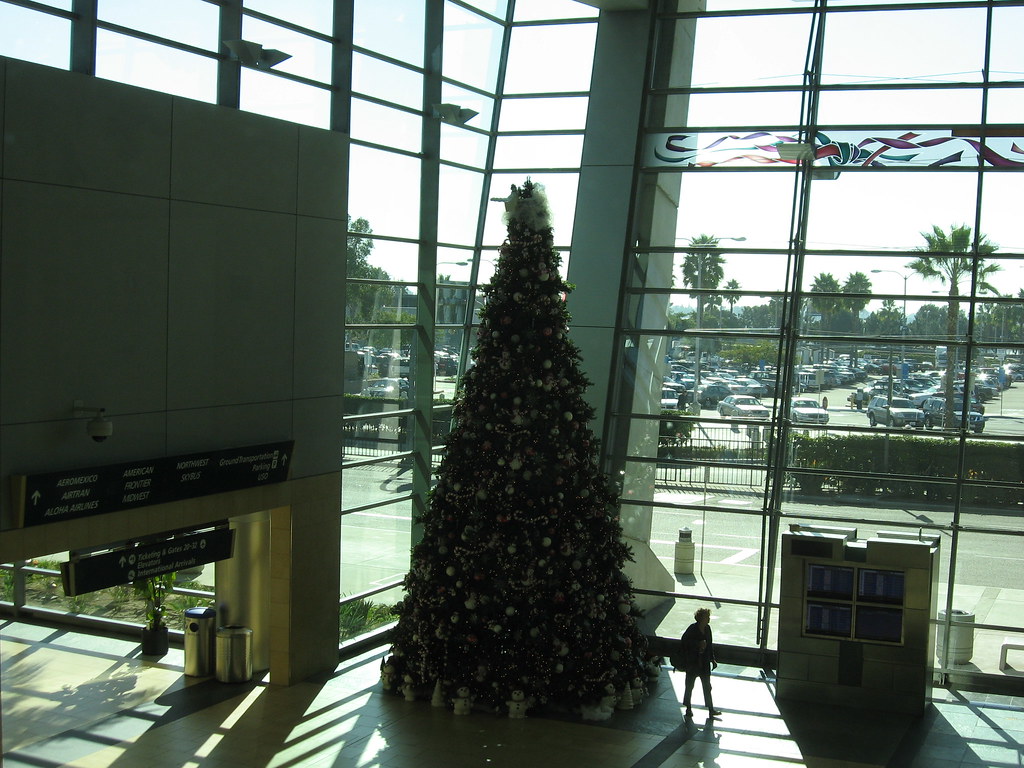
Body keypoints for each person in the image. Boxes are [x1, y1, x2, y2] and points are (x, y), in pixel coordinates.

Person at [677, 607, 721, 720]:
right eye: (707, 617)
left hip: (704, 663)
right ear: (701, 618)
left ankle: (711, 709)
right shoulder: (692, 629)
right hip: (693, 663)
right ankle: (688, 707)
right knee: (690, 686)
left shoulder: (707, 629)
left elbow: (710, 645)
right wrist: (698, 644)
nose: (709, 619)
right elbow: (685, 642)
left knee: (707, 686)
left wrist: (712, 659)